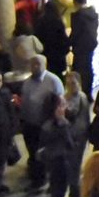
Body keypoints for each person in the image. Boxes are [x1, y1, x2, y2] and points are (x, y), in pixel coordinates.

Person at [19, 55, 65, 188]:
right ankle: (36, 177)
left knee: (44, 153)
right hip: (29, 123)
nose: (34, 67)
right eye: (32, 64)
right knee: (33, 152)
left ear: (44, 64)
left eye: (37, 64)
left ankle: (46, 177)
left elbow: (60, 103)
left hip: (45, 125)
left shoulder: (53, 81)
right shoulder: (27, 82)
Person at [40, 94, 82, 197]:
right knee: (66, 187)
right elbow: (69, 143)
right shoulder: (62, 125)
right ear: (57, 108)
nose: (65, 107)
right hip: (63, 160)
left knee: (56, 187)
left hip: (52, 160)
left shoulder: (45, 125)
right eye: (63, 105)